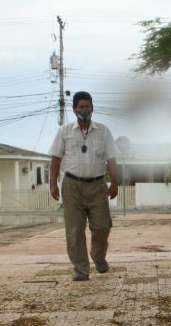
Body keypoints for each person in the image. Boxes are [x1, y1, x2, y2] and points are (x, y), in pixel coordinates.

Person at [49, 91, 120, 281]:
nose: (84, 110)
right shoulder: (64, 131)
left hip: (97, 185)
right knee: (74, 230)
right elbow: (56, 158)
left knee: (102, 226)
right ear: (74, 109)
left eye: (87, 106)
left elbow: (111, 158)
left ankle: (98, 256)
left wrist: (114, 181)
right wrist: (53, 184)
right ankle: (81, 269)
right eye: (80, 107)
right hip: (72, 185)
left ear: (92, 108)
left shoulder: (103, 131)